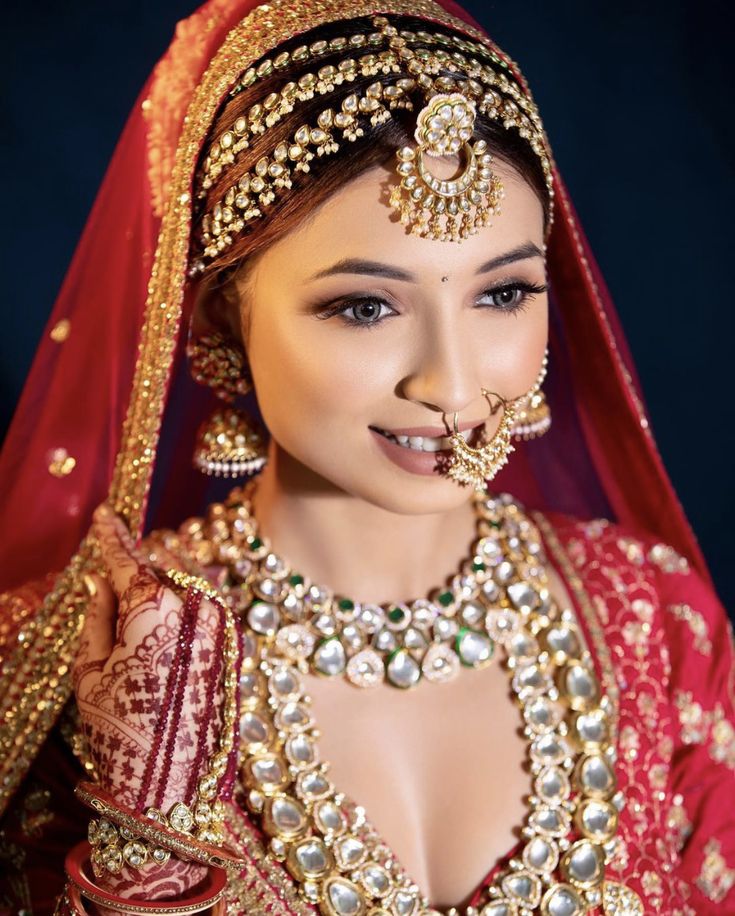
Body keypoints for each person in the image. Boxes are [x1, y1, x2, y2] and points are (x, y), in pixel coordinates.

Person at [0, 0, 733, 913]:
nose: (453, 386)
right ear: (220, 312)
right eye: (363, 306)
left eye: (502, 292)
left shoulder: (658, 625)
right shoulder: (96, 667)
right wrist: (141, 833)